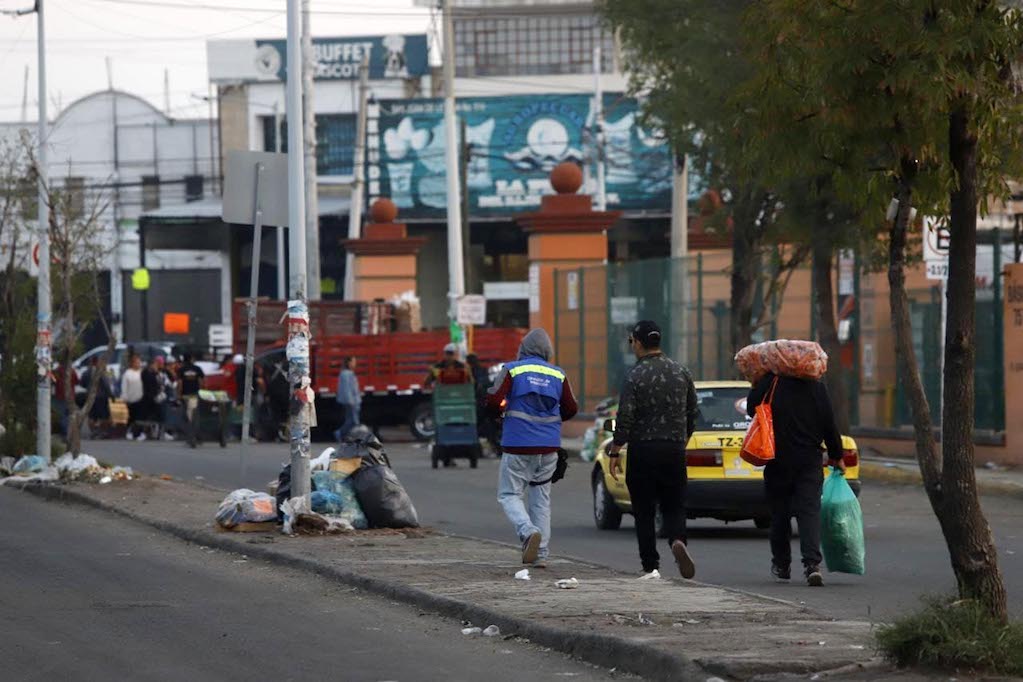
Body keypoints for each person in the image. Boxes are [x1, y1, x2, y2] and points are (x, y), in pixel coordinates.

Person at [608, 320, 698, 580]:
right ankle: (677, 540)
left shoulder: (634, 375)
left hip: (643, 451)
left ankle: (650, 565)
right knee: (675, 503)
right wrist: (681, 439)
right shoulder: (681, 372)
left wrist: (615, 450)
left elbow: (625, 417)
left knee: (644, 510)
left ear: (637, 342)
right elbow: (692, 412)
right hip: (673, 449)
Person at [486, 329, 578, 568]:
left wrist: (498, 414)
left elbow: (495, 399)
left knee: (509, 494)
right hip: (548, 448)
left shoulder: (513, 369)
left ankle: (527, 532)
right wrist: (551, 421)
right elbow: (571, 408)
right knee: (541, 499)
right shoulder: (558, 374)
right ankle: (541, 554)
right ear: (548, 351)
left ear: (523, 348)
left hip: (517, 444)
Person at [746, 371, 845, 587]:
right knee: (808, 511)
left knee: (779, 514)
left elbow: (750, 407)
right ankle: (812, 565)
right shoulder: (816, 387)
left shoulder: (771, 382)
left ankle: (782, 566)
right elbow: (829, 423)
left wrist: (758, 382)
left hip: (777, 459)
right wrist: (837, 455)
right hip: (809, 459)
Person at [176, 352, 205, 448]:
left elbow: (180, 383)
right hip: (194, 396)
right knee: (195, 416)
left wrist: (179, 395)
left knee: (187, 417)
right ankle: (196, 437)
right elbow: (201, 382)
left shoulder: (181, 370)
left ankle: (190, 438)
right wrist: (199, 391)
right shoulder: (197, 369)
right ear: (192, 359)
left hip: (185, 396)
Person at [80, 356, 112, 437]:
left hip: (90, 396)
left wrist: (88, 387)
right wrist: (110, 395)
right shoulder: (100, 371)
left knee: (91, 415)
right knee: (104, 415)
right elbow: (106, 384)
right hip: (101, 397)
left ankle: (93, 431)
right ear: (98, 362)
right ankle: (102, 432)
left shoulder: (87, 372)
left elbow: (82, 383)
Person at [334, 356, 361, 442]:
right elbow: (347, 390)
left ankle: (346, 436)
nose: (355, 364)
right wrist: (351, 401)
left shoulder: (348, 373)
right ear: (349, 363)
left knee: (351, 421)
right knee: (353, 421)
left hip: (354, 401)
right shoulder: (346, 374)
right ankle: (341, 433)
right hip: (351, 402)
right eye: (353, 361)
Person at [121, 354, 146, 441]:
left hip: (141, 398)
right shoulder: (127, 373)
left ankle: (140, 433)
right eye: (136, 363)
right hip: (131, 398)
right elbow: (124, 386)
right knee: (132, 416)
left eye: (139, 362)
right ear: (132, 363)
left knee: (140, 417)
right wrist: (125, 397)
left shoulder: (142, 372)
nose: (138, 364)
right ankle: (129, 432)